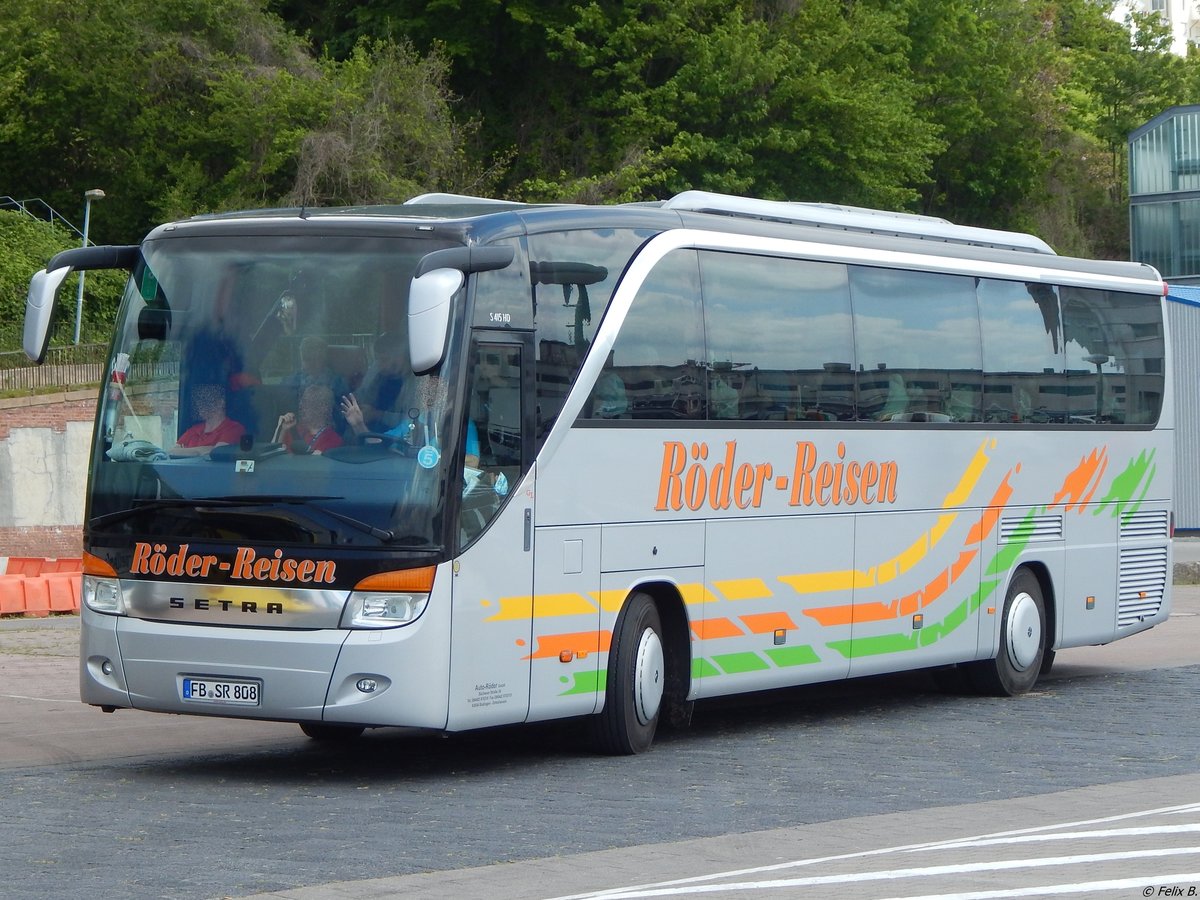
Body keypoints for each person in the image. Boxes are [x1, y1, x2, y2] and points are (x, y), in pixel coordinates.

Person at [171, 384, 246, 456]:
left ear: (220, 402)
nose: (200, 404)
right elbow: (173, 451)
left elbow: (217, 452)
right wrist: (200, 451)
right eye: (199, 400)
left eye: (206, 399)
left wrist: (184, 451)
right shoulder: (194, 429)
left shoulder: (233, 428)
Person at [274, 384, 343, 455]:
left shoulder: (333, 440)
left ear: (324, 408)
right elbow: (273, 457)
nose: (302, 407)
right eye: (303, 402)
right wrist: (282, 429)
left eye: (309, 403)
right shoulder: (293, 429)